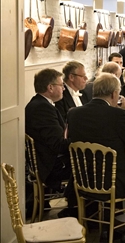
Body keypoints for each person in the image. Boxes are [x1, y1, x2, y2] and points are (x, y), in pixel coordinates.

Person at [67, 73, 125, 243]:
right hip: (113, 182)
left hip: (83, 180)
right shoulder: (117, 115)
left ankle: (107, 229)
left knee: (110, 170)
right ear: (114, 94)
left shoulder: (73, 113)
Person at [25, 68, 73, 202]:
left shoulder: (40, 103)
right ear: (50, 87)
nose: (64, 88)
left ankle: (77, 206)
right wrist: (84, 138)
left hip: (48, 159)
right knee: (90, 165)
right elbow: (58, 145)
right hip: (50, 166)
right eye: (61, 85)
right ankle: (78, 208)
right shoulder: (42, 108)